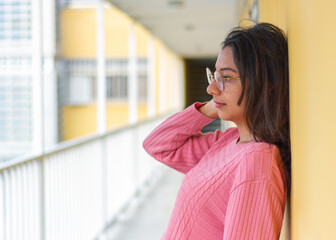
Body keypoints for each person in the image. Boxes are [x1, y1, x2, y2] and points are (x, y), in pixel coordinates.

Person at [143, 22, 290, 240]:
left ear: (262, 83)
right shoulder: (228, 141)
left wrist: (222, 98)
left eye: (226, 78)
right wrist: (215, 102)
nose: (211, 88)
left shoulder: (257, 161)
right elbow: (158, 145)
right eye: (214, 77)